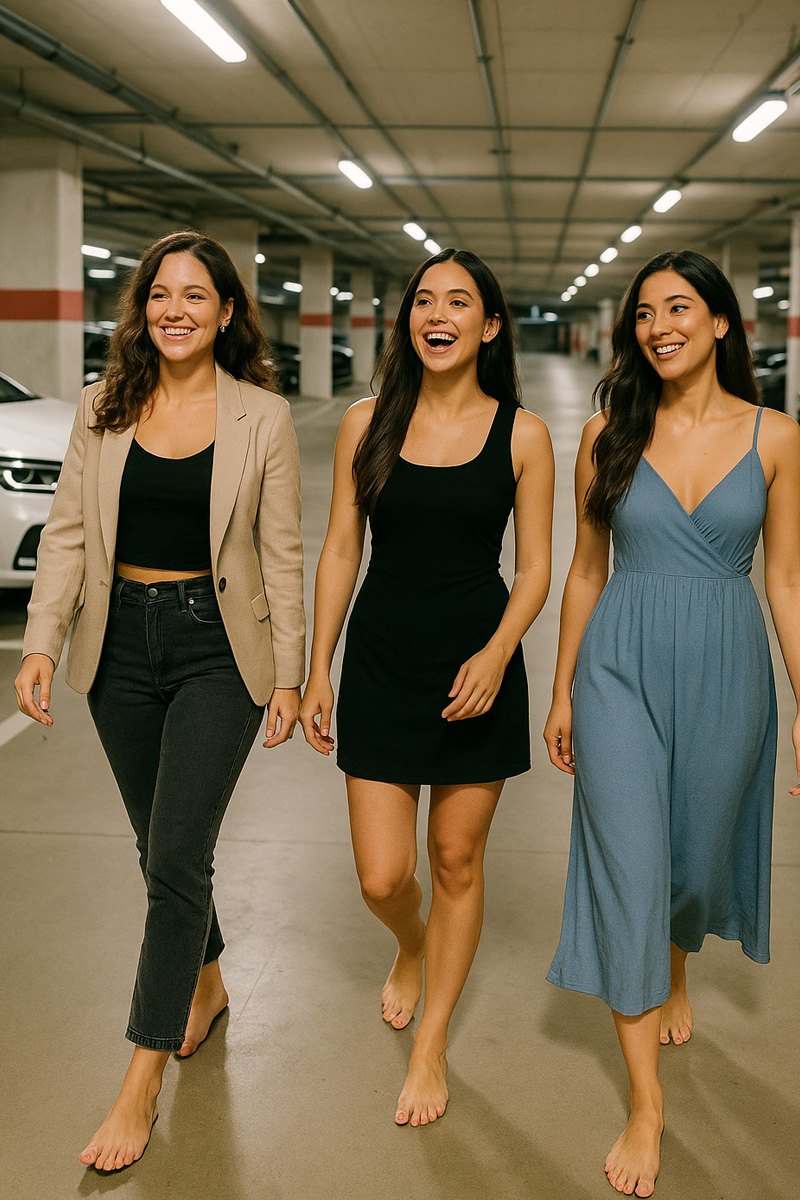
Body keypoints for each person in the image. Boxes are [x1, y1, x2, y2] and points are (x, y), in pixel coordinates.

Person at [14, 231, 305, 1172]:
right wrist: (42, 641)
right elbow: (64, 532)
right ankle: (209, 985)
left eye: (196, 295)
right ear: (143, 310)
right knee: (159, 848)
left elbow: (282, 555)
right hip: (119, 648)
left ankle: (141, 1076)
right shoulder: (106, 406)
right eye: (159, 294)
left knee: (177, 850)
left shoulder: (262, 416)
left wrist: (292, 673)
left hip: (218, 649)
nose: (175, 309)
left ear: (226, 312)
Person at [544, 249, 800, 1197]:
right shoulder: (608, 432)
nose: (659, 326)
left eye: (680, 308)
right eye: (644, 313)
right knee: (632, 867)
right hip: (619, 667)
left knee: (691, 867)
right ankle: (646, 1104)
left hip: (728, 668)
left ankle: (677, 965)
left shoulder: (778, 438)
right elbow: (584, 571)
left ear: (723, 323)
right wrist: (564, 689)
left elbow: (785, 580)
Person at [300, 248, 554, 1126]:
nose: (435, 314)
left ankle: (433, 1039)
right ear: (409, 320)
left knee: (455, 861)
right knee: (383, 877)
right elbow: (341, 548)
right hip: (379, 658)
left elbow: (535, 571)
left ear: (489, 327)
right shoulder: (365, 422)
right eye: (423, 300)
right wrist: (317, 666)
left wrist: (497, 654)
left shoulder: (523, 433)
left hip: (475, 666)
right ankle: (409, 945)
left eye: (459, 302)